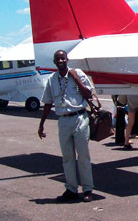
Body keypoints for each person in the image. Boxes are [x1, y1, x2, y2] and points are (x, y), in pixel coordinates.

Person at [38, 50, 97, 202]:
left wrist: (76, 78)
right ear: (54, 61)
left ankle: (87, 189)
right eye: (57, 59)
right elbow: (48, 102)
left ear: (67, 59)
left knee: (83, 155)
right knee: (67, 157)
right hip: (63, 120)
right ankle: (71, 188)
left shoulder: (77, 73)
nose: (60, 61)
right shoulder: (52, 79)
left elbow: (88, 94)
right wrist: (41, 124)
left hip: (79, 118)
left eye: (63, 58)